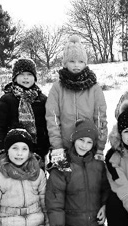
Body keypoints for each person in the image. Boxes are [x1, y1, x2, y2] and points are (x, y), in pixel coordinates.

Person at [45, 119, 110, 226]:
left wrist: (105, 206)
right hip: (69, 224)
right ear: (74, 138)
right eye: (81, 140)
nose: (84, 145)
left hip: (91, 223)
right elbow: (54, 199)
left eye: (89, 142)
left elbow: (106, 189)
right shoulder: (63, 165)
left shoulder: (98, 164)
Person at [46, 35, 108, 168]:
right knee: (62, 183)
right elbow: (53, 119)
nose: (76, 65)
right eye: (72, 61)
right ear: (65, 63)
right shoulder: (57, 88)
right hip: (64, 147)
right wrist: (57, 146)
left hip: (88, 147)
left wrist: (100, 147)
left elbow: (100, 118)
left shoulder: (94, 88)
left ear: (85, 63)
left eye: (80, 61)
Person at [0, 58, 50, 164]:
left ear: (35, 77)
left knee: (36, 179)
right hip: (12, 153)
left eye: (29, 74)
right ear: (14, 78)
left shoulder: (43, 100)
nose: (25, 77)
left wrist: (46, 149)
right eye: (21, 74)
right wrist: (0, 151)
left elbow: (48, 127)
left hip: (37, 153)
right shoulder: (6, 100)